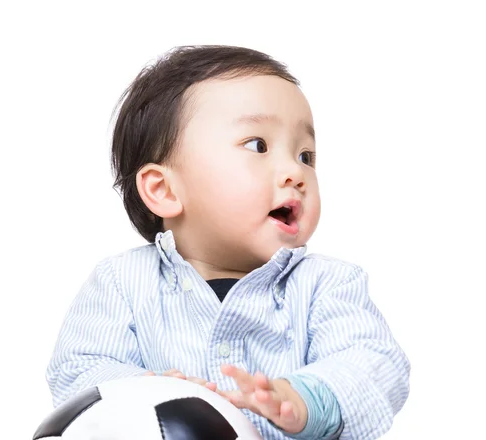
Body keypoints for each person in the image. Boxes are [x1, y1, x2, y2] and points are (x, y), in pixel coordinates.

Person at [46, 45, 410, 439]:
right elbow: (79, 369)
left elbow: (374, 362)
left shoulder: (328, 284)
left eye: (306, 155)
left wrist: (304, 399)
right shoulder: (121, 282)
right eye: (258, 145)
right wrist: (141, 390)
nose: (295, 172)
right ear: (164, 190)